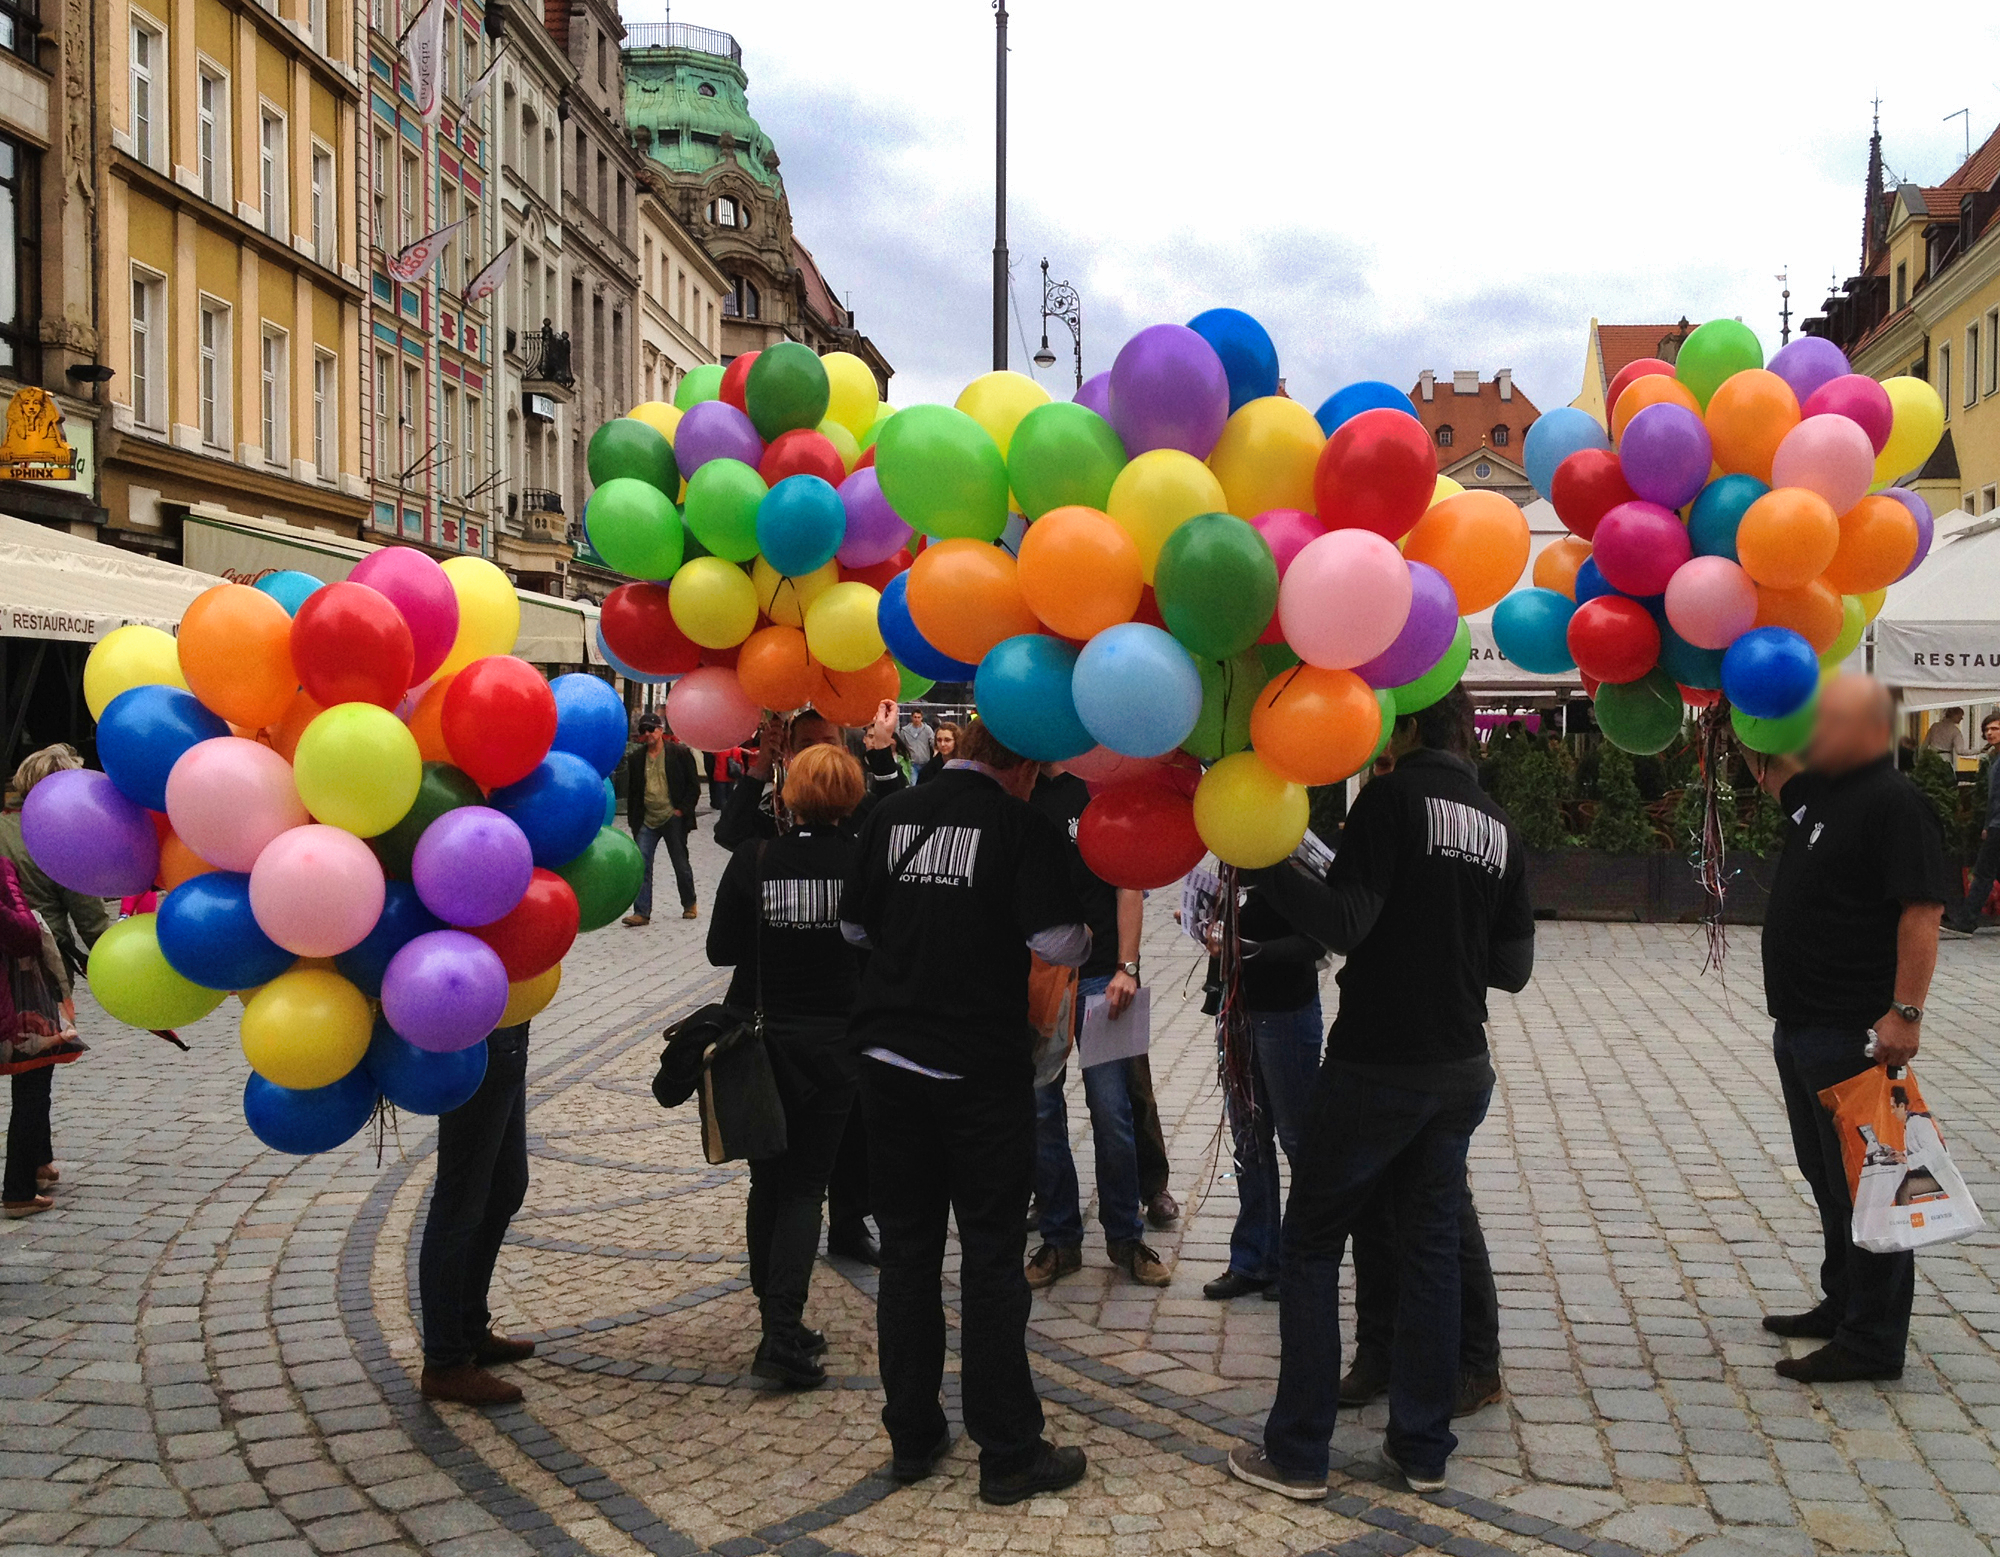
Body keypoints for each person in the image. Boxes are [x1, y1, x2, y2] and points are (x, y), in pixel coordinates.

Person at [1227, 685, 1533, 1500]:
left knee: (1311, 1240)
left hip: (1378, 1062)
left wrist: (1267, 862)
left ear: (1406, 726)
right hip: (1459, 1067)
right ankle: (1422, 1449)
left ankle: (1298, 1451)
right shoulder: (1498, 826)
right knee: (1430, 1247)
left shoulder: (1390, 800)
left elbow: (1347, 922)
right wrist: (1446, 940)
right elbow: (1514, 967)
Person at [838, 720, 1092, 1505]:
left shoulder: (891, 813)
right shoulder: (1018, 824)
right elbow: (1059, 940)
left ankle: (913, 1434)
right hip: (979, 1072)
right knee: (989, 1256)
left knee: (908, 1251)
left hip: (888, 1062)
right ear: (1022, 765)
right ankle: (1008, 1449)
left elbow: (853, 925)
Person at [1744, 673, 1950, 1384]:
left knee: (1875, 1182)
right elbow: (1771, 769)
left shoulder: (1896, 802)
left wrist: (1906, 1013)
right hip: (1803, 1023)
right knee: (1828, 1177)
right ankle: (1843, 1300)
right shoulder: (1824, 797)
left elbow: (1922, 911)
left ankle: (1872, 1339)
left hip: (1857, 1030)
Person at [707, 745, 868, 1388]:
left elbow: (721, 950)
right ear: (851, 799)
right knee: (805, 1187)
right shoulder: (861, 861)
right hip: (834, 1046)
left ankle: (774, 1319)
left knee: (767, 1182)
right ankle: (780, 1331)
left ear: (790, 794)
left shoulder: (757, 857)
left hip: (763, 1041)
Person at [1026, 764, 1171, 1289]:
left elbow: (1128, 881)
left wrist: (1127, 967)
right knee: (1042, 1113)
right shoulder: (1019, 789)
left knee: (1114, 1112)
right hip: (1040, 979)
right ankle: (1060, 1240)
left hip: (1106, 978)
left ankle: (1126, 1238)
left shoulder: (1099, 787)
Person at [1201, 871, 1326, 1301]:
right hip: (1236, 1009)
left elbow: (1316, 941)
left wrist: (1248, 949)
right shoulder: (1232, 861)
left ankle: (1302, 1259)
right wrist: (1207, 925)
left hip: (1285, 1013)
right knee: (1248, 1140)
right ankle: (1254, 1260)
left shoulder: (1295, 859)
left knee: (1297, 1140)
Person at [418, 1021, 538, 1404]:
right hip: (472, 1037)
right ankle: (444, 1362)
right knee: (459, 1204)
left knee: (506, 1186)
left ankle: (469, 1327)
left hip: (509, 1029)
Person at [0, 745, 111, 985]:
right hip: (43, 962)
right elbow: (90, 918)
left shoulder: (4, 824)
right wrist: (114, 962)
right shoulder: (63, 838)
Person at [622, 714, 701, 926]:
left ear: (660, 730)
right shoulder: (636, 758)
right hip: (647, 819)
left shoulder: (680, 753)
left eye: (651, 729)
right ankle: (641, 912)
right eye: (643, 730)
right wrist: (634, 822)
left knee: (680, 864)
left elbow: (693, 786)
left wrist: (681, 811)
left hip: (672, 817)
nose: (647, 734)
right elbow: (633, 793)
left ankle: (689, 903)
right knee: (642, 865)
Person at [1944, 712, 2000, 934]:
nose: (1989, 733)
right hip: (1995, 823)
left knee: (1984, 872)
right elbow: (1992, 797)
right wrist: (1987, 825)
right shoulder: (1994, 760)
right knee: (1989, 871)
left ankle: (1966, 921)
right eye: (1987, 729)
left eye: (1995, 728)